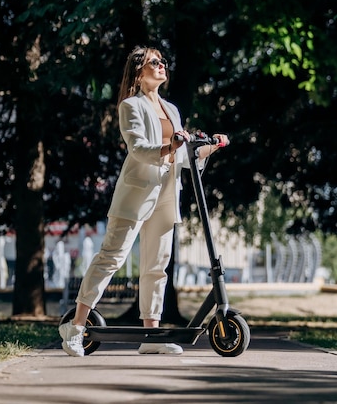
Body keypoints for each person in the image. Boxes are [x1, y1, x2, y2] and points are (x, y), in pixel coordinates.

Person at [59, 45, 229, 357]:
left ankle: (151, 334)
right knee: (111, 257)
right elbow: (138, 149)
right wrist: (170, 146)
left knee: (157, 265)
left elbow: (183, 156)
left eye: (163, 60)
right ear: (139, 71)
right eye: (155, 61)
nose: (162, 65)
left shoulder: (172, 109)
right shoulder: (130, 106)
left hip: (167, 192)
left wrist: (209, 147)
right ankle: (75, 327)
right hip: (137, 193)